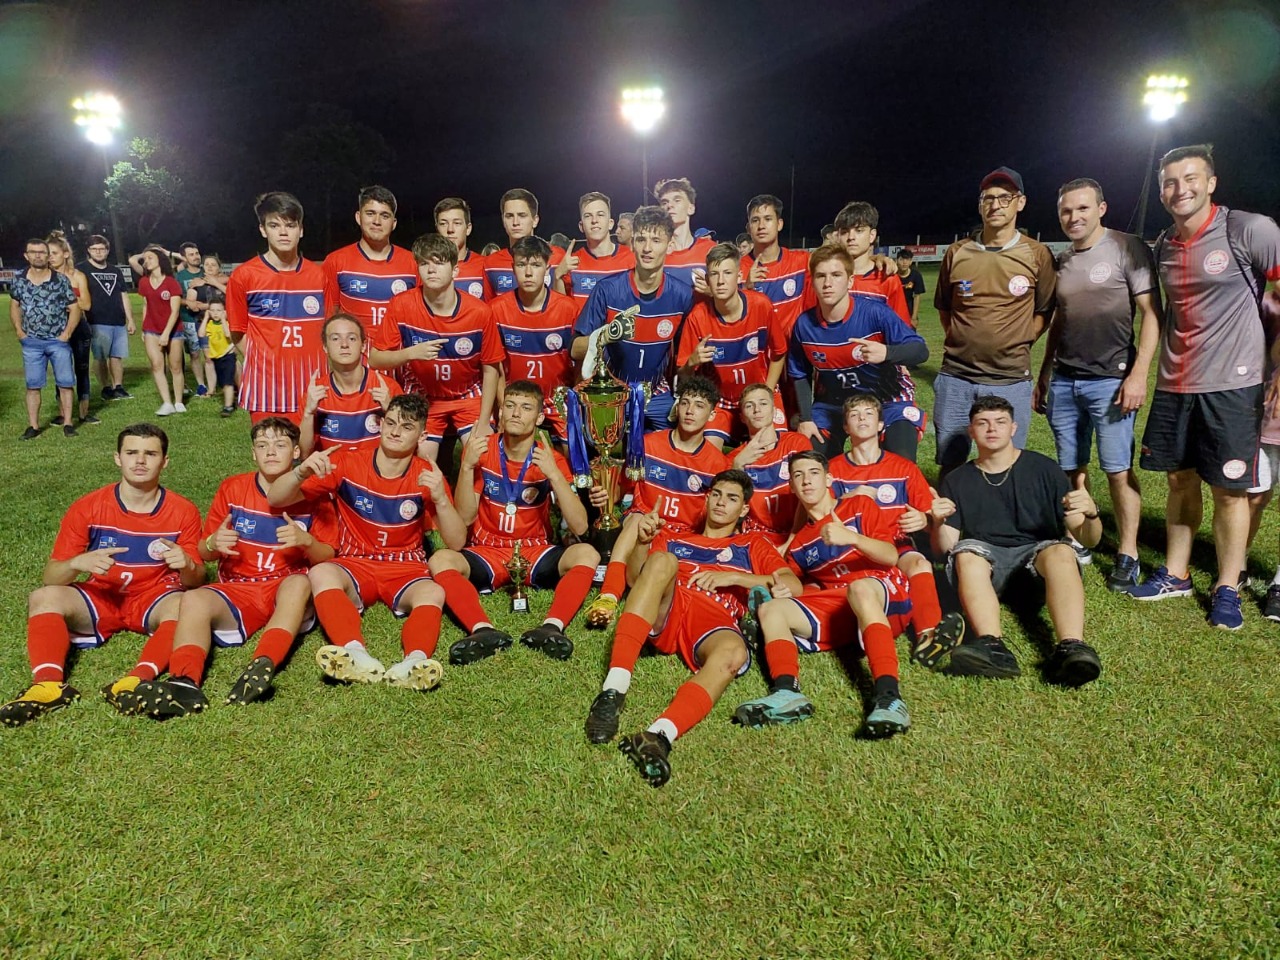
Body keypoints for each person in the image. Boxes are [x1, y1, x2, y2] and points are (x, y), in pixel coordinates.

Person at [1129, 145, 1280, 629]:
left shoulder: (1249, 230)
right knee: (1179, 479)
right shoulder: (1164, 246)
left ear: (1211, 182)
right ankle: (1176, 572)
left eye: (1190, 179)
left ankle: (1228, 585)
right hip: (1176, 384)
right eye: (1170, 182)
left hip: (1234, 386)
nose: (1180, 189)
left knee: (1230, 489)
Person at [584, 469, 802, 786]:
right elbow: (635, 580)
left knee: (734, 653)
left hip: (715, 616)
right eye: (716, 494)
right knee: (662, 562)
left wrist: (735, 577)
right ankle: (613, 691)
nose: (720, 503)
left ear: (743, 509)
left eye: (731, 499)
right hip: (672, 604)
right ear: (707, 497)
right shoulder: (675, 535)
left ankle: (659, 735)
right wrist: (643, 544)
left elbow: (793, 585)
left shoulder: (751, 544)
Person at [130, 418, 338, 717]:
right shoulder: (233, 488)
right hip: (237, 587)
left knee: (300, 583)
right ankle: (184, 682)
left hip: (285, 586)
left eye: (280, 445)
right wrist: (215, 542)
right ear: (253, 453)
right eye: (262, 445)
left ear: (295, 452)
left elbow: (327, 557)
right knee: (194, 598)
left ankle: (262, 664)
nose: (270, 452)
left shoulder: (314, 494)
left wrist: (306, 542)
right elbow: (203, 551)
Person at [0, 423, 203, 727]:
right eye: (131, 452)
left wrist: (186, 564)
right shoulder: (88, 507)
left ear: (165, 462)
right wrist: (77, 563)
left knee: (186, 605)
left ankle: (136, 681)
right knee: (43, 597)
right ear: (117, 458)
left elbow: (197, 581)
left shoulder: (183, 511)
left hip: (154, 598)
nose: (140, 461)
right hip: (102, 597)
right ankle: (48, 685)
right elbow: (51, 576)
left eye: (150, 453)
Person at [267, 394, 468, 689]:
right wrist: (301, 471)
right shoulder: (348, 462)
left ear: (422, 435)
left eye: (407, 426)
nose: (395, 431)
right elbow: (276, 497)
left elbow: (457, 542)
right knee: (321, 572)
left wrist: (440, 498)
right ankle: (354, 652)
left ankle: (414, 662)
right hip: (355, 561)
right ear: (381, 424)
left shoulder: (427, 476)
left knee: (433, 593)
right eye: (390, 422)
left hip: (404, 566)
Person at [1032, 178, 1163, 588]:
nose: (1074, 217)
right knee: (1073, 468)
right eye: (1067, 211)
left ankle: (1128, 552)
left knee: (1117, 470)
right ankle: (1080, 538)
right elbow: (1058, 323)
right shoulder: (1063, 260)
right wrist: (1044, 373)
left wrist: (1139, 373)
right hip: (1066, 381)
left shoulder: (1128, 247)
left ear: (1101, 209)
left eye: (1083, 209)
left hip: (1111, 382)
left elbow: (1151, 315)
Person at [732, 450, 915, 737]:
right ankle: (786, 691)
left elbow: (891, 556)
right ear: (791, 486)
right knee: (772, 609)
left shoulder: (858, 506)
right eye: (798, 475)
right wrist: (783, 589)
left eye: (814, 473)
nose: (806, 481)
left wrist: (852, 538)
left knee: (859, 588)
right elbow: (796, 581)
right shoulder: (801, 543)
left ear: (828, 478)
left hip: (884, 592)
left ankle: (890, 697)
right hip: (844, 606)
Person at [929, 396, 1103, 686]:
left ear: (1014, 427)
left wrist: (1092, 513)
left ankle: (1072, 646)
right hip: (985, 571)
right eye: (982, 423)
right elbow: (945, 547)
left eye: (1000, 422)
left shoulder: (1044, 469)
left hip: (1038, 570)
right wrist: (937, 521)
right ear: (971, 431)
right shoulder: (957, 479)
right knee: (965, 554)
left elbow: (1089, 539)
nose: (991, 429)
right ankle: (992, 646)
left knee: (1061, 549)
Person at [427, 381, 600, 664]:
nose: (516, 413)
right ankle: (481, 630)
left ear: (540, 418)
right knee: (441, 560)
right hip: (489, 549)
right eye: (510, 406)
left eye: (526, 407)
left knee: (587, 553)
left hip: (534, 550)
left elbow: (580, 527)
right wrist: (468, 467)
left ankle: (552, 627)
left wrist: (555, 476)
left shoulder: (550, 459)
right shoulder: (481, 451)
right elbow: (466, 517)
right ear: (501, 412)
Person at [933, 167, 1057, 475]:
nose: (996, 205)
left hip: (1010, 379)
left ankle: (1000, 522)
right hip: (956, 377)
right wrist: (963, 339)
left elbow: (1044, 311)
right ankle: (951, 521)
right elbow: (945, 309)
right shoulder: (957, 252)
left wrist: (1020, 339)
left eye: (1005, 197)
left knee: (1006, 462)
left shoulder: (1037, 253)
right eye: (988, 198)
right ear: (980, 204)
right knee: (951, 460)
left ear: (1021, 202)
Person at [827, 394, 965, 663]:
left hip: (896, 544)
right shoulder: (833, 470)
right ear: (845, 428)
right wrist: (846, 498)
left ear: (881, 425)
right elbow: (820, 518)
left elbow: (929, 513)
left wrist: (925, 521)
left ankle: (929, 636)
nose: (862, 419)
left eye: (869, 414)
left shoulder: (903, 468)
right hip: (854, 548)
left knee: (920, 564)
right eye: (854, 415)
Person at [585, 375, 731, 627]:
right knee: (636, 520)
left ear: (711, 415)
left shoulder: (717, 464)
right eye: (685, 403)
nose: (689, 411)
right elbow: (620, 490)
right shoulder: (648, 445)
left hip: (681, 536)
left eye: (699, 406)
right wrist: (604, 494)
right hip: (643, 527)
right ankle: (608, 595)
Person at [788, 244, 928, 461]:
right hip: (835, 402)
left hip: (889, 399)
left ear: (850, 281)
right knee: (809, 463)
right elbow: (799, 374)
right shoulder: (804, 325)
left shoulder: (875, 313)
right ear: (812, 282)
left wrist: (887, 352)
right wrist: (806, 418)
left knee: (900, 461)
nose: (827, 283)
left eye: (836, 275)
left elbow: (920, 351)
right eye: (820, 276)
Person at [372, 233, 504, 462]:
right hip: (423, 394)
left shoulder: (480, 312)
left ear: (455, 271)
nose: (431, 269)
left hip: (468, 392)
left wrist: (484, 422)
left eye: (439, 262)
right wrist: (411, 353)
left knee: (484, 456)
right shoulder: (401, 305)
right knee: (421, 461)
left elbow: (491, 368)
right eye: (424, 263)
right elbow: (375, 359)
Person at [572, 205, 693, 431]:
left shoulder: (682, 296)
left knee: (670, 452)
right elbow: (574, 348)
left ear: (670, 245)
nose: (647, 248)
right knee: (596, 454)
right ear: (632, 244)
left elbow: (684, 356)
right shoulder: (607, 290)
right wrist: (605, 335)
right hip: (611, 393)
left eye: (656, 240)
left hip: (656, 395)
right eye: (641, 239)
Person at [226, 191, 339, 424]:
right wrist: (267, 362)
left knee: (313, 458)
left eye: (290, 225)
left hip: (312, 387)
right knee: (272, 458)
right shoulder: (244, 276)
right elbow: (237, 331)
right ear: (263, 230)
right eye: (275, 225)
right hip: (266, 390)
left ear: (301, 230)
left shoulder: (319, 277)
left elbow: (330, 330)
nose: (284, 232)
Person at [677, 241, 785, 448]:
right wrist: (692, 362)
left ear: (739, 276)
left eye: (727, 273)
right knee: (707, 451)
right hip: (721, 401)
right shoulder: (698, 317)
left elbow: (779, 353)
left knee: (773, 452)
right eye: (714, 274)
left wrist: (767, 392)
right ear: (707, 280)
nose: (720, 281)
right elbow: (683, 375)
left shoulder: (761, 305)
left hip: (758, 394)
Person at [489, 236, 579, 442]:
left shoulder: (568, 308)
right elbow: (497, 367)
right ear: (513, 268)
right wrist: (504, 406)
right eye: (522, 265)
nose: (528, 273)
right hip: (516, 399)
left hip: (558, 398)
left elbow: (579, 363)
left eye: (536, 265)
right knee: (511, 455)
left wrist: (576, 403)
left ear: (547, 269)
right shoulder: (496, 309)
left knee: (574, 456)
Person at [323, 185, 418, 340]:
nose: (376, 221)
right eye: (370, 213)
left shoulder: (413, 263)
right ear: (358, 217)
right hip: (355, 360)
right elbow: (329, 317)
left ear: (394, 223)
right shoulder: (336, 261)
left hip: (398, 357)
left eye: (384, 216)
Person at [300, 311, 401, 455]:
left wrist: (390, 410)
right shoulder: (316, 392)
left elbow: (406, 447)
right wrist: (309, 413)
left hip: (375, 474)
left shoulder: (387, 388)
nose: (344, 344)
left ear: (363, 345)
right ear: (325, 347)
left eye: (352, 338)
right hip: (331, 473)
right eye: (335, 339)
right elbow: (305, 454)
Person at [11, 238, 81, 438]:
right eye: (33, 252)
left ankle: (68, 423)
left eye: (42, 252)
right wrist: (19, 331)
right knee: (33, 385)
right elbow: (15, 305)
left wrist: (66, 334)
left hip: (57, 341)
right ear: (26, 255)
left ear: (48, 255)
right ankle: (33, 426)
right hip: (31, 342)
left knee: (66, 383)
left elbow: (74, 308)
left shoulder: (60, 280)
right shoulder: (19, 279)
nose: (38, 255)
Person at [730, 382, 812, 542]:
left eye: (763, 403)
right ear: (742, 417)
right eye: (749, 405)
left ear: (774, 412)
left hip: (797, 534)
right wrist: (737, 467)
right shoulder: (735, 459)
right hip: (755, 537)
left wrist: (791, 541)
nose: (757, 410)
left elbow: (810, 494)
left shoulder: (796, 444)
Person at [741, 194, 813, 341]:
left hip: (793, 354)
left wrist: (873, 259)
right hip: (757, 355)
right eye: (755, 220)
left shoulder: (802, 261)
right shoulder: (737, 269)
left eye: (768, 219)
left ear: (779, 224)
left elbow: (839, 264)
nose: (761, 226)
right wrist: (746, 290)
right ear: (748, 228)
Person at [46, 231, 97, 427]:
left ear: (65, 254)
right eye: (48, 253)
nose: (50, 257)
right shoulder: (46, 277)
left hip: (79, 329)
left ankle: (84, 413)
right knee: (61, 371)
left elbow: (86, 304)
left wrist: (66, 303)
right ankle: (62, 413)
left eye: (54, 253)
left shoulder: (78, 276)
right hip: (56, 330)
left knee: (82, 370)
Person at [78, 234, 136, 401]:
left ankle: (118, 386)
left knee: (117, 356)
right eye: (94, 249)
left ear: (107, 250)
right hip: (96, 320)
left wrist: (130, 319)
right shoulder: (82, 270)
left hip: (117, 319)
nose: (98, 252)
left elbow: (124, 295)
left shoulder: (115, 270)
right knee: (100, 356)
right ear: (88, 250)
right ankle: (105, 387)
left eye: (102, 249)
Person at [834, 201, 912, 322]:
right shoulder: (827, 277)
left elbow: (901, 330)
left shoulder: (887, 279)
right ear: (838, 236)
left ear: (872, 235)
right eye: (844, 231)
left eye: (859, 230)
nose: (851, 237)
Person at [554, 192, 634, 307]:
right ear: (581, 226)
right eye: (588, 216)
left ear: (610, 223)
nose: (594, 220)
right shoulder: (572, 263)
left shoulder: (631, 260)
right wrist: (558, 276)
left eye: (600, 215)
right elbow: (561, 310)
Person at [135, 245, 186, 417]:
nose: (146, 261)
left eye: (150, 257)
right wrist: (144, 328)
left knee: (175, 366)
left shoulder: (171, 283)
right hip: (151, 329)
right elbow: (145, 305)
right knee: (157, 365)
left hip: (173, 331)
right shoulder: (143, 282)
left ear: (159, 260)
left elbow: (175, 311)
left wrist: (166, 333)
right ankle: (167, 403)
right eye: (145, 259)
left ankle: (178, 401)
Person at [483, 188, 562, 299]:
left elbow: (567, 305)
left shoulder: (558, 257)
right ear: (503, 220)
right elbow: (489, 308)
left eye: (522, 215)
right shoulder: (491, 263)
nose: (515, 222)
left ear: (535, 220)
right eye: (509, 216)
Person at [655, 177, 716, 290]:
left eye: (677, 200)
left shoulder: (711, 250)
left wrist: (713, 293)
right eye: (664, 202)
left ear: (691, 208)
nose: (670, 206)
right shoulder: (654, 252)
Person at [185, 253, 231, 394]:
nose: (210, 267)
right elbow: (191, 305)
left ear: (219, 267)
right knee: (208, 357)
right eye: (207, 264)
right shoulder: (196, 283)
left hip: (224, 324)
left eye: (213, 264)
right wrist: (211, 307)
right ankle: (211, 389)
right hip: (204, 323)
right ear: (203, 267)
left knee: (227, 356)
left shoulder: (226, 281)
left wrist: (214, 284)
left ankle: (229, 385)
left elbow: (233, 296)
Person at [435, 197, 488, 300]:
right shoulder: (428, 268)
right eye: (443, 224)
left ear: (468, 229)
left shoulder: (484, 266)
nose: (450, 229)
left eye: (457, 223)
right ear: (437, 229)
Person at [199, 290, 239, 417]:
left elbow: (228, 334)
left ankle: (228, 407)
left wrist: (223, 320)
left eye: (219, 310)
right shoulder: (210, 324)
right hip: (216, 356)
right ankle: (231, 401)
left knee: (228, 382)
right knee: (223, 383)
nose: (215, 313)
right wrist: (206, 317)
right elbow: (201, 334)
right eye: (213, 310)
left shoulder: (226, 323)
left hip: (228, 355)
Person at [895, 248, 926, 326]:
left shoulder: (916, 275)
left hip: (909, 308)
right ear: (896, 261)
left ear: (911, 261)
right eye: (901, 259)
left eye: (907, 259)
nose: (904, 262)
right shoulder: (891, 275)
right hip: (894, 308)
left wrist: (914, 317)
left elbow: (917, 296)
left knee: (910, 335)